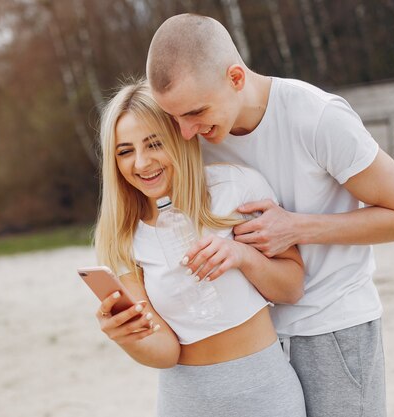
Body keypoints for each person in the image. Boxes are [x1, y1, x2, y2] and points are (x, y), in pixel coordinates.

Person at [146, 13, 394, 417]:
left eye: (195, 112)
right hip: (257, 344)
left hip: (333, 328)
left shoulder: (317, 117)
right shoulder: (196, 136)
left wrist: (297, 227)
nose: (186, 131)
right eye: (174, 118)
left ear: (236, 77)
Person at [93, 79, 306, 417]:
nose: (141, 163)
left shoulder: (236, 187)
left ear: (179, 137)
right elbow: (165, 352)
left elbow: (292, 287)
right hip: (185, 403)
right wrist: (125, 336)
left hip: (266, 393)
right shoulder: (125, 237)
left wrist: (241, 255)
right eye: (125, 151)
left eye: (154, 143)